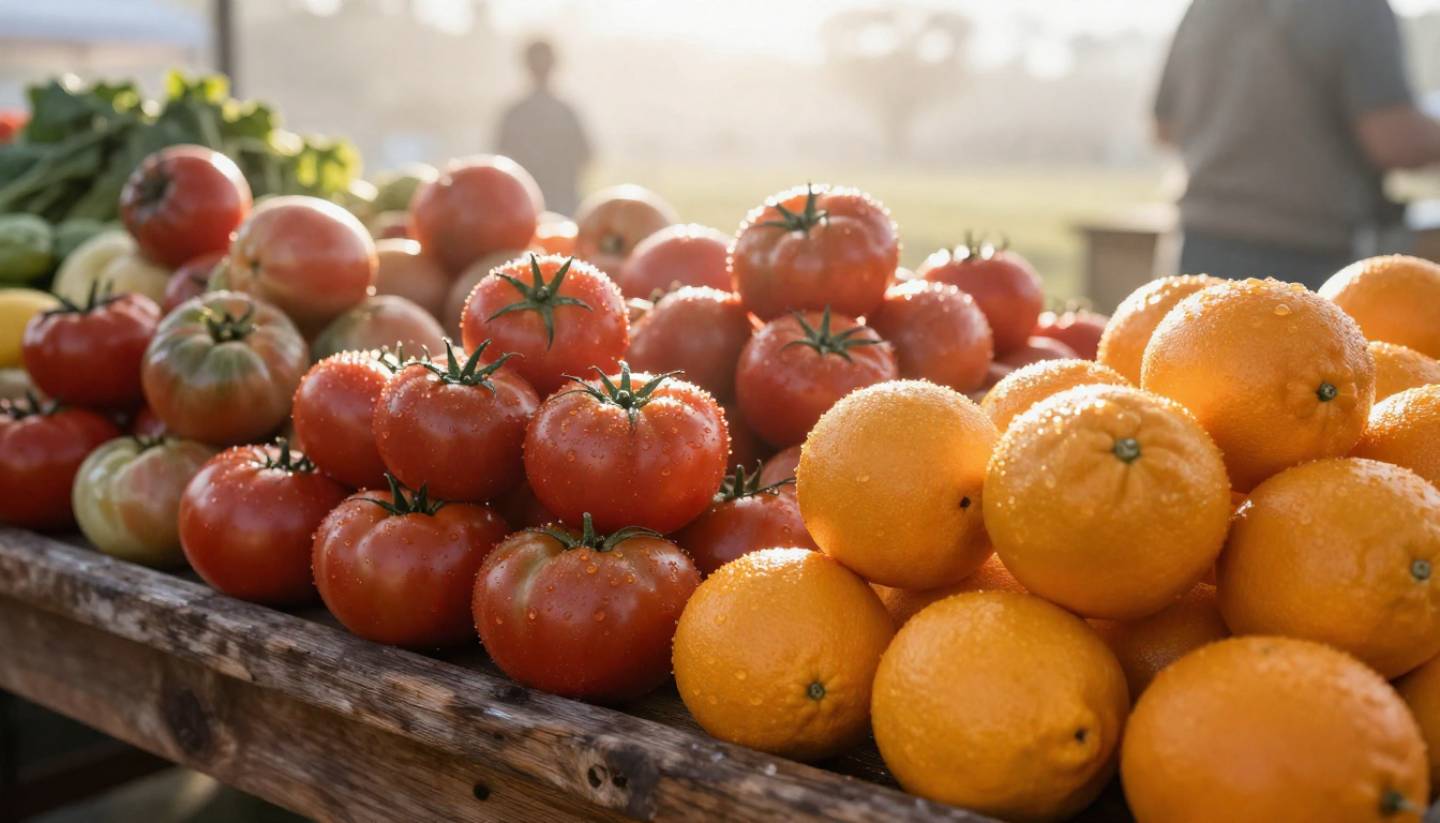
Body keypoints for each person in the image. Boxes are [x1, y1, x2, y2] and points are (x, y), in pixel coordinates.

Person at [1154, 0, 1440, 288]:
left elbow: (1164, 127)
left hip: (1197, 244)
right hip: (1303, 254)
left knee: (1185, 333)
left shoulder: (1205, 6)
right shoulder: (1354, 6)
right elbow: (1392, 138)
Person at [496, 38, 592, 216]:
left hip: (525, 206)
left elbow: (499, 157)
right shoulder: (565, 111)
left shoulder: (515, 113)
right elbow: (587, 155)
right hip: (559, 205)